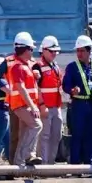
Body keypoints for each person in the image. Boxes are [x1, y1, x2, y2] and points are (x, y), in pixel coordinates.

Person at [7, 33, 44, 168]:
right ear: (26, 50)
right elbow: (20, 88)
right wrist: (33, 106)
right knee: (37, 125)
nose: (32, 52)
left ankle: (25, 158)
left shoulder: (25, 64)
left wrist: (36, 77)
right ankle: (23, 158)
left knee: (26, 132)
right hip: (20, 104)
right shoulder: (17, 66)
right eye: (31, 49)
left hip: (24, 104)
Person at [64, 34, 92, 164]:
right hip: (78, 105)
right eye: (77, 50)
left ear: (89, 51)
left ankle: (89, 162)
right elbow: (66, 85)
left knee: (91, 135)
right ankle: (75, 163)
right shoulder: (72, 67)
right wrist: (72, 90)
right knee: (77, 135)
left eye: (82, 50)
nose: (79, 53)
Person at [33, 36, 64, 164]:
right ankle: (43, 165)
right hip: (45, 107)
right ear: (44, 50)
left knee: (57, 136)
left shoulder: (55, 66)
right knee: (44, 136)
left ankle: (51, 164)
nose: (54, 54)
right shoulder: (38, 66)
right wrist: (41, 105)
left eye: (56, 51)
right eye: (52, 51)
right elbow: (36, 87)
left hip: (56, 107)